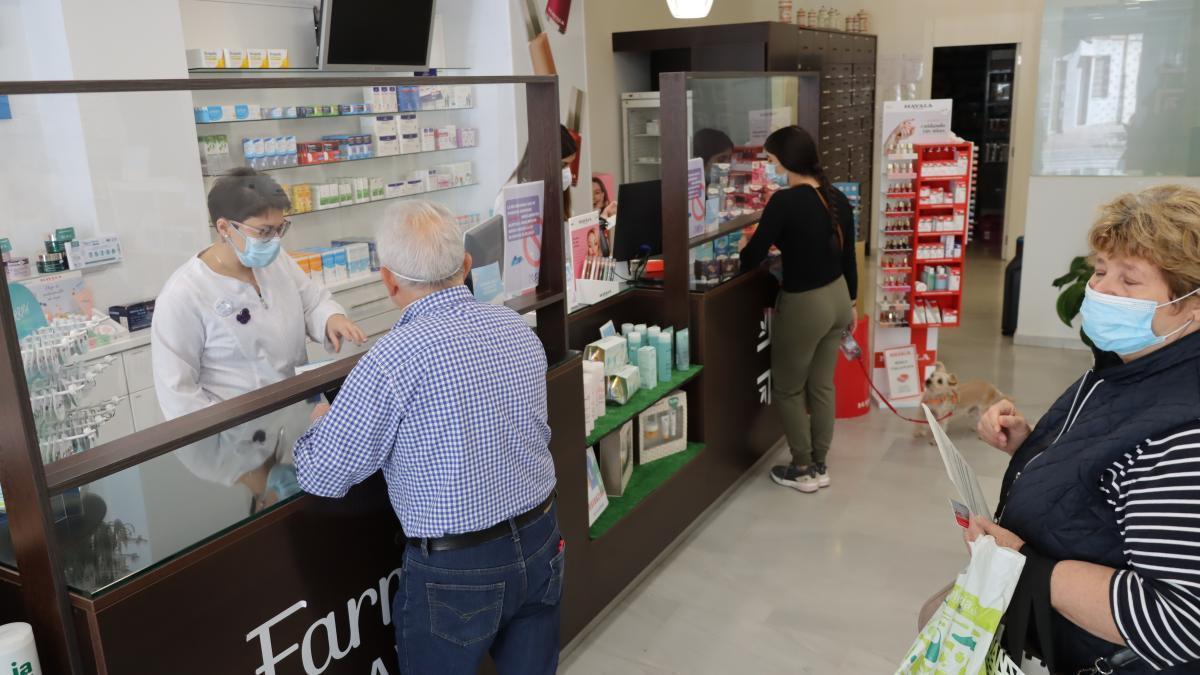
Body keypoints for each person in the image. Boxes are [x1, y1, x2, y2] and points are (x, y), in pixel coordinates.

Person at [293, 200, 562, 675]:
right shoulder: (515, 328)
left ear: (389, 281)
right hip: (542, 538)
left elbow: (323, 474)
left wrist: (320, 421)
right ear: (465, 265)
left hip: (459, 570)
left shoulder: (390, 360)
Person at [964, 185, 1200, 673]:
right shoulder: (1134, 362)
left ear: (1192, 306)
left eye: (1130, 281)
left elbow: (1182, 620)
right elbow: (1114, 470)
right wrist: (1031, 447)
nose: (1101, 290)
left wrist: (1026, 564)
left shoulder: (1184, 432)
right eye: (1099, 270)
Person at [152, 167, 365, 510]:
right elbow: (177, 395)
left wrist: (331, 318)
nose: (275, 241)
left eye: (280, 228)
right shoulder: (184, 294)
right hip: (235, 445)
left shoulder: (275, 260)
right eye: (264, 231)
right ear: (224, 227)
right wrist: (245, 470)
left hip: (297, 418)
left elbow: (310, 298)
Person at [739, 125, 857, 494]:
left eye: (771, 160)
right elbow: (848, 259)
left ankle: (802, 469)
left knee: (789, 389)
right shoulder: (835, 197)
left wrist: (750, 241)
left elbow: (750, 259)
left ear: (785, 162)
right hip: (839, 298)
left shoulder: (784, 202)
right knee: (822, 385)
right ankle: (820, 463)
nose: (771, 167)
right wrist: (851, 305)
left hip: (806, 304)